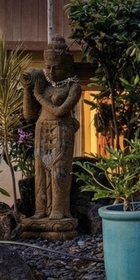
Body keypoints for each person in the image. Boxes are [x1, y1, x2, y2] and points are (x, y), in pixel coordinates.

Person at [21, 36, 82, 220]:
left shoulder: (73, 87)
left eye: (57, 67)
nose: (52, 71)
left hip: (62, 130)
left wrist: (38, 95)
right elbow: (29, 116)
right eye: (48, 67)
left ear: (66, 67)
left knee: (59, 172)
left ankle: (59, 210)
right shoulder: (44, 85)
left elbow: (60, 111)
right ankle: (41, 210)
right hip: (42, 130)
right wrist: (27, 90)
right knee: (40, 172)